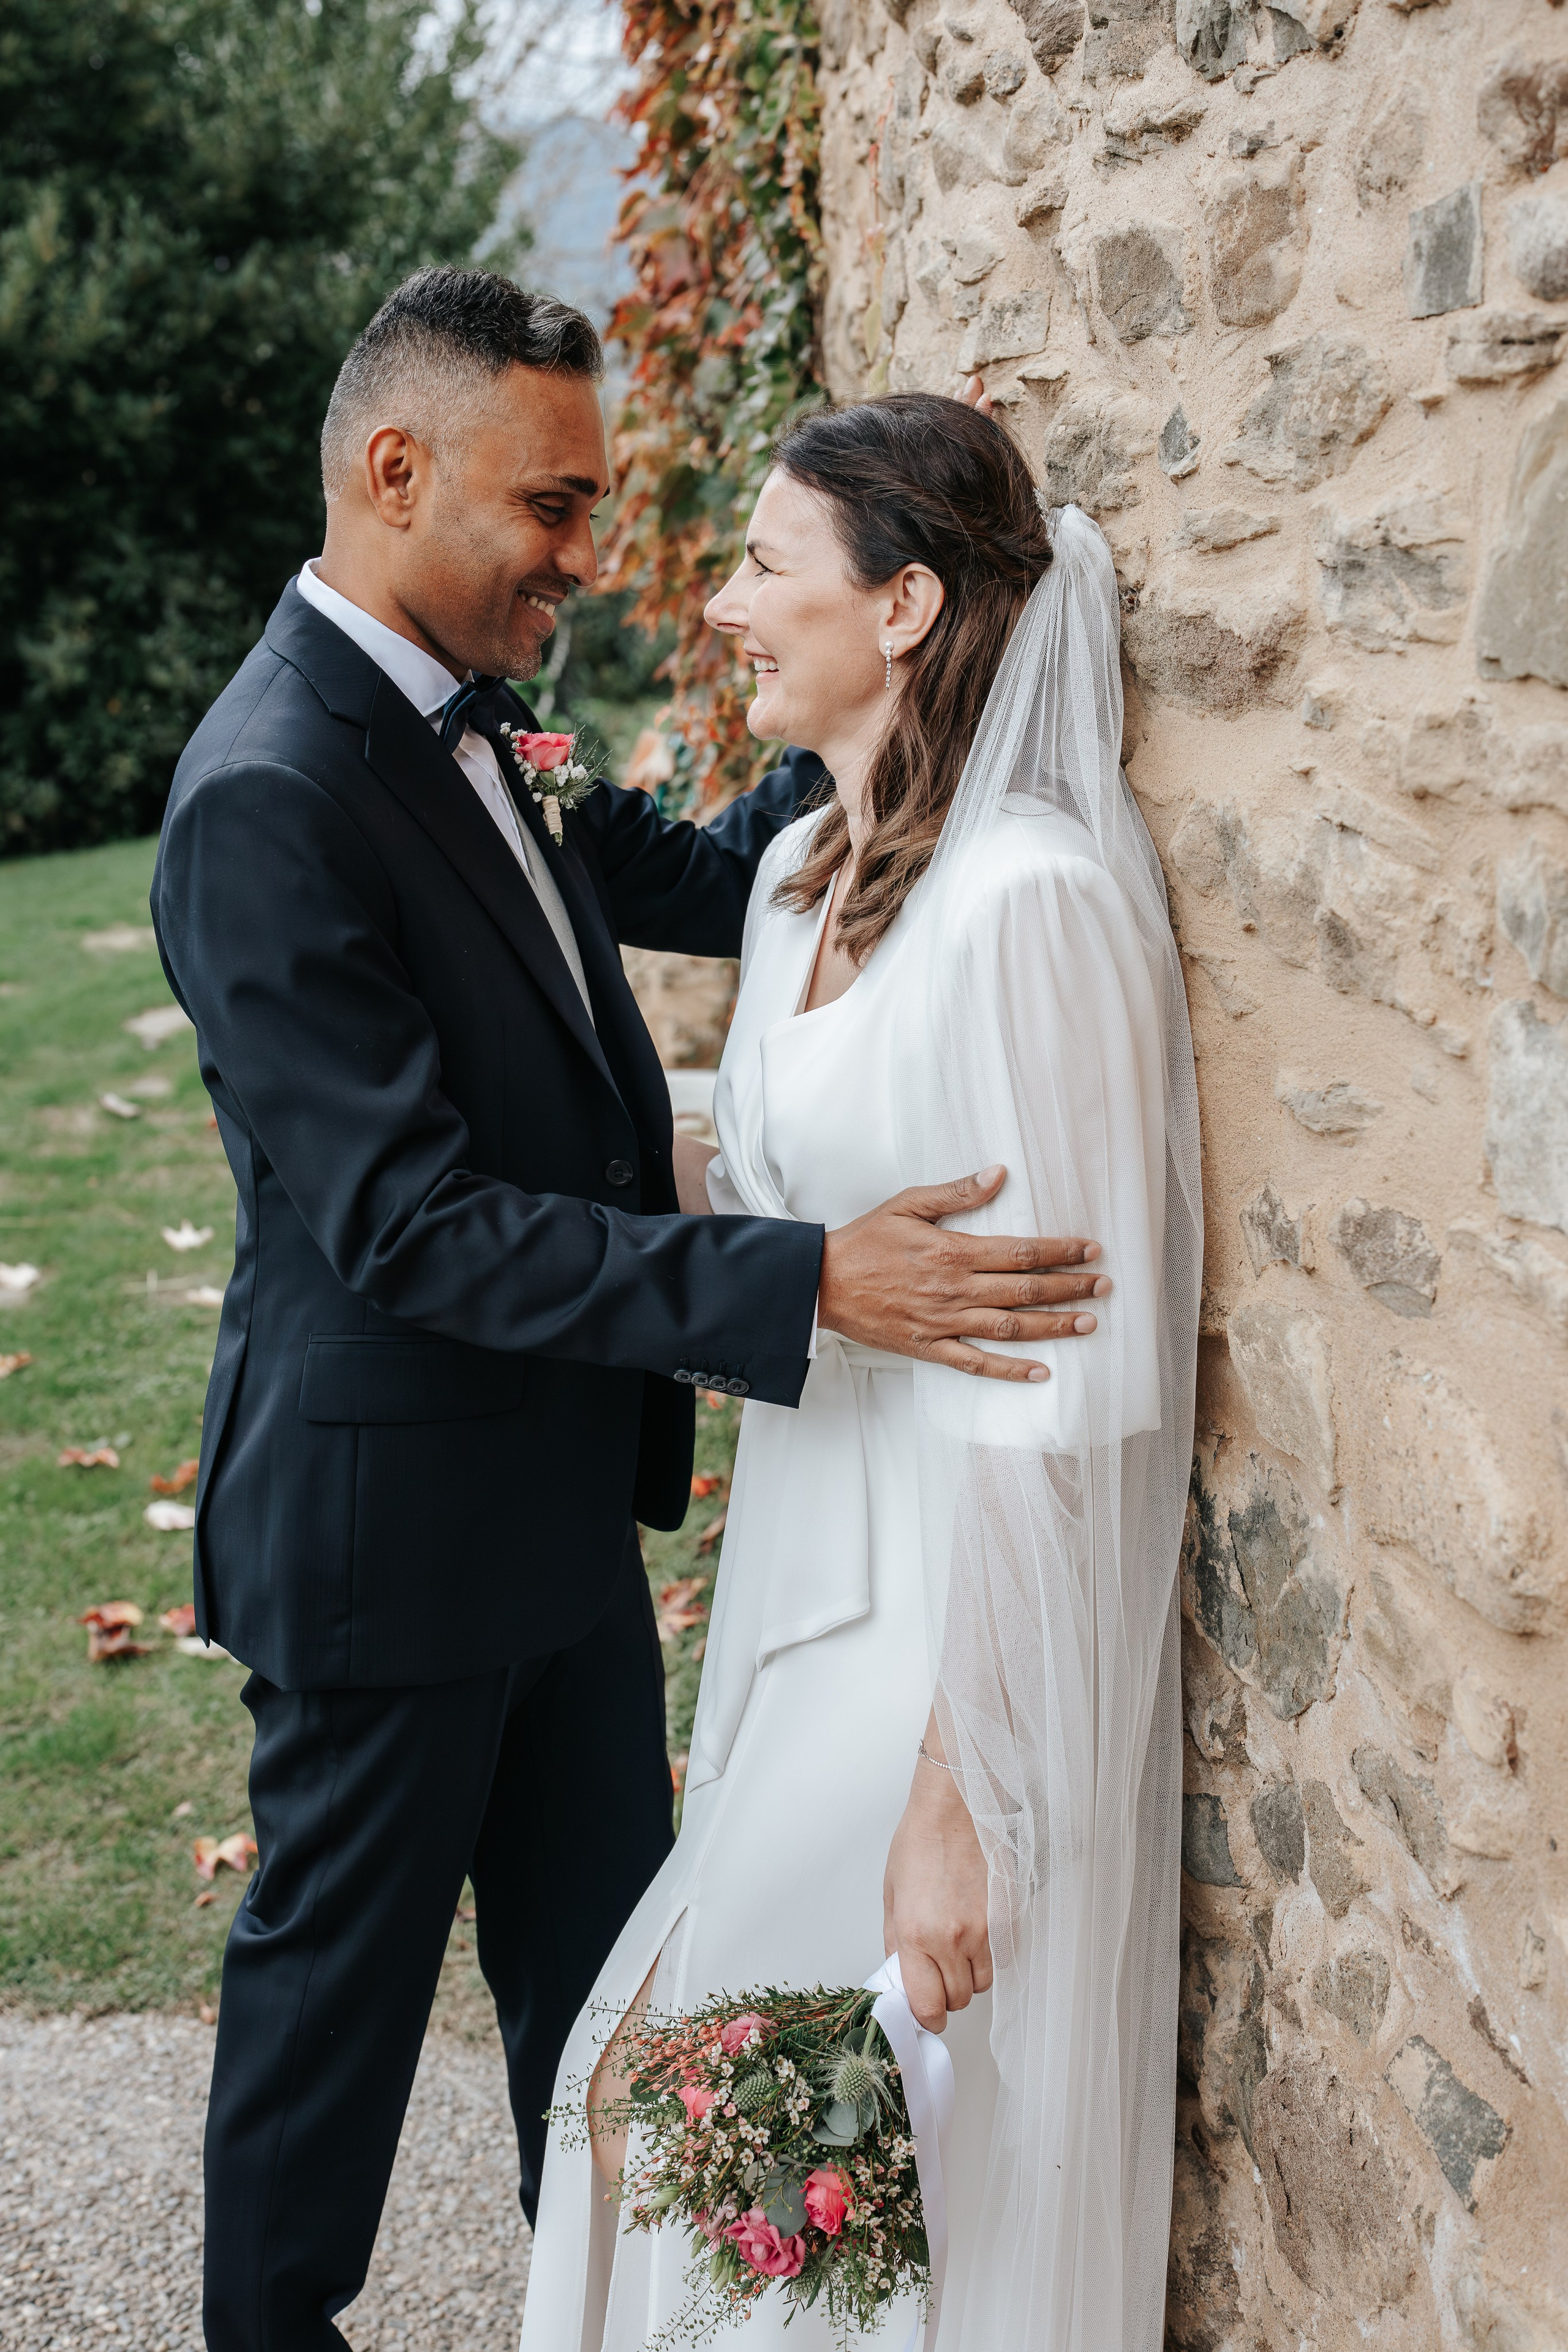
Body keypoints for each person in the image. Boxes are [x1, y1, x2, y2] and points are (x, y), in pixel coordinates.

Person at [149, 272, 1107, 2352]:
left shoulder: (477, 720)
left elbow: (718, 868)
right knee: (325, 2047)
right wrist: (803, 1277)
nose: (591, 560)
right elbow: (412, 1224)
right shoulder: (270, 795)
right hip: (386, 1549)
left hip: (564, 1534)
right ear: (396, 475)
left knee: (619, 2030)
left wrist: (905, 689)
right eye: (556, 509)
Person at [520, 393, 1202, 2352]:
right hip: (792, 1599)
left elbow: (1064, 1398)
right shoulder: (800, 874)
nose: (722, 602)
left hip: (944, 1648)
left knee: (809, 2152)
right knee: (748, 2161)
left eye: (762, 564)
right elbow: (758, 1179)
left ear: (903, 606)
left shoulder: (1038, 911)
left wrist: (960, 1791)